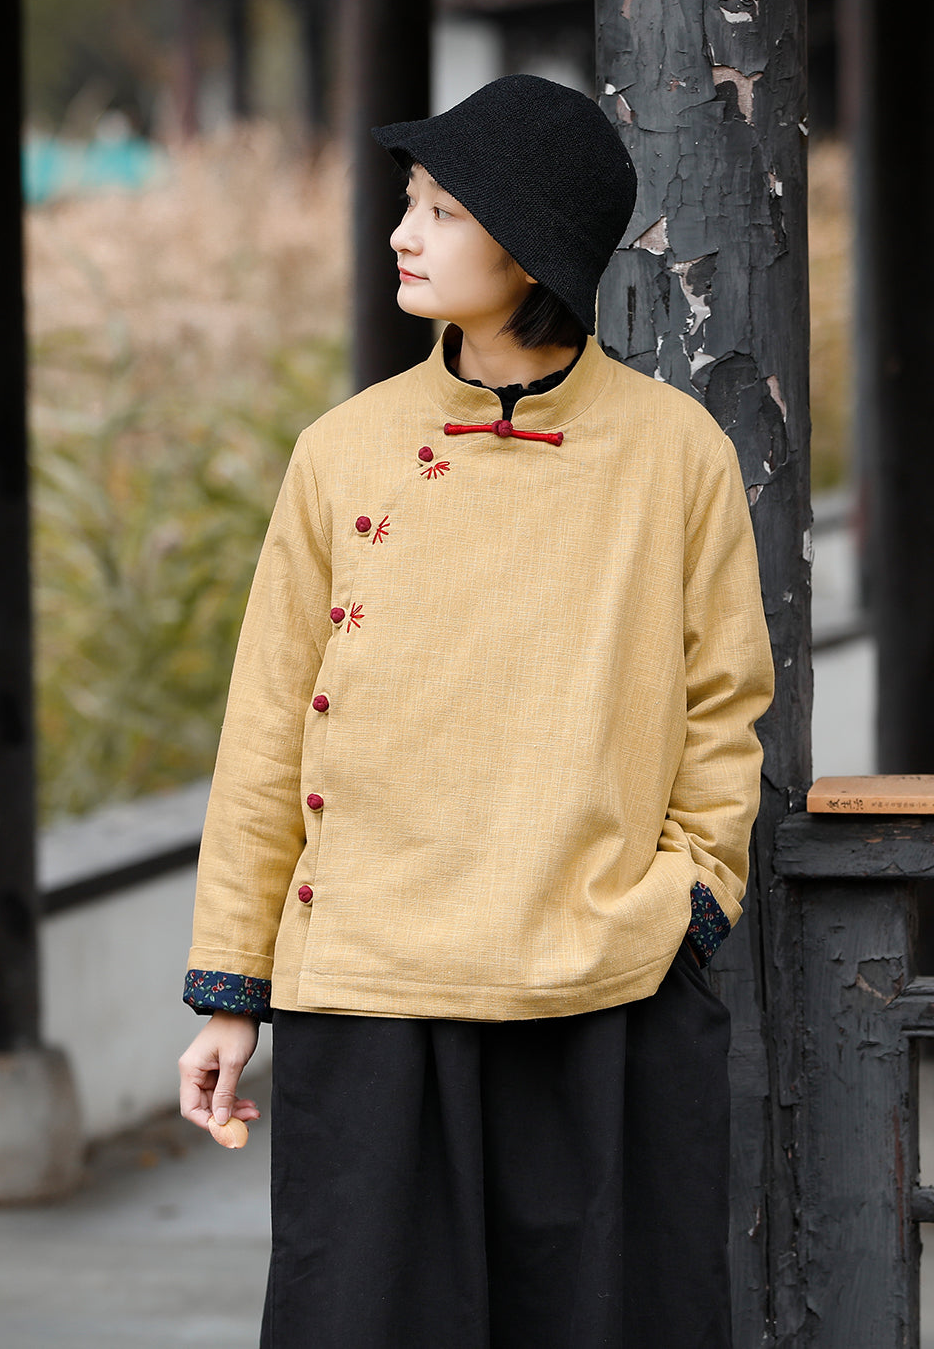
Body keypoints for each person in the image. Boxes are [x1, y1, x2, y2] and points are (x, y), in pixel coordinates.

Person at [177, 73, 774, 1349]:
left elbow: (724, 707)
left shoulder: (675, 454)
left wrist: (690, 899)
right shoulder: (342, 451)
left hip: (600, 979)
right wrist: (232, 989)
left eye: (443, 210)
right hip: (369, 987)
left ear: (533, 244)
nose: (402, 232)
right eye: (410, 201)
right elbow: (269, 725)